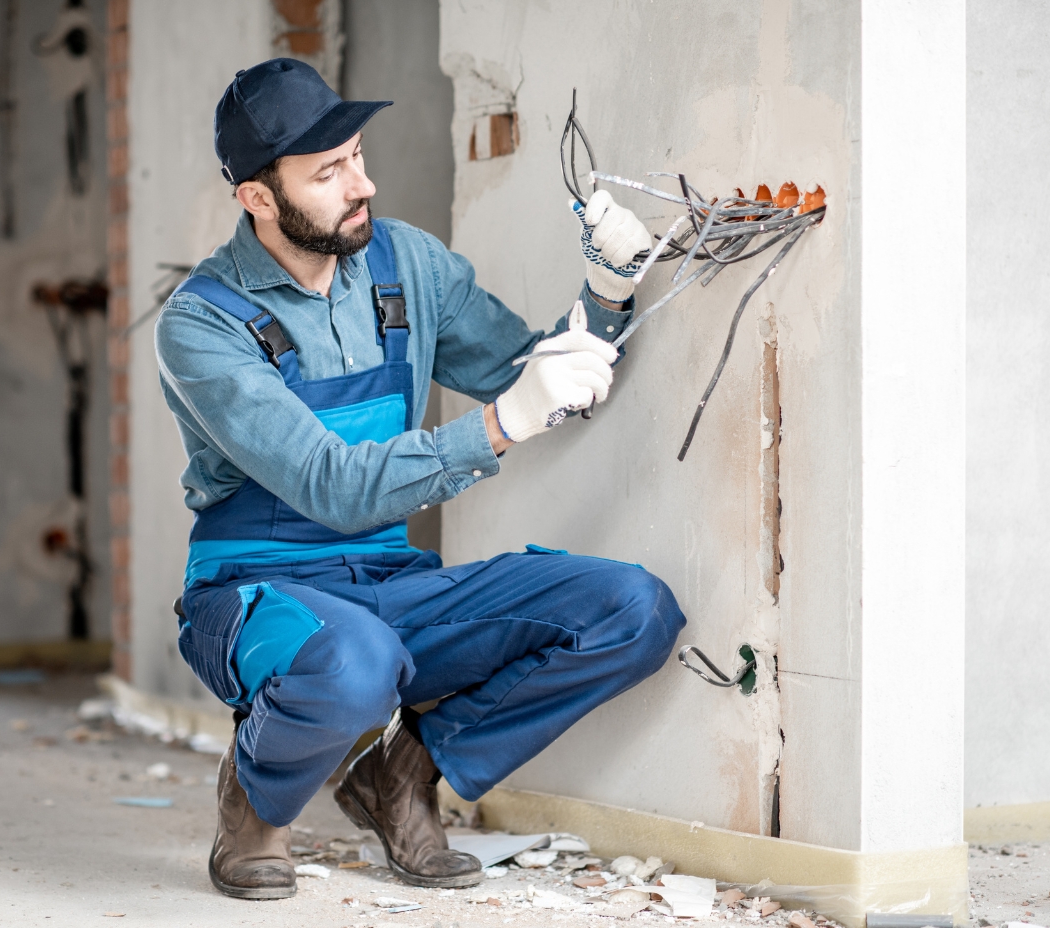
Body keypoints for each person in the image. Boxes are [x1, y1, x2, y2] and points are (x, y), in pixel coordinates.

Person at [155, 58, 685, 901]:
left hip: (388, 584)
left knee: (632, 609)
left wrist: (608, 291)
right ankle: (253, 804)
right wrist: (502, 423)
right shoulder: (201, 324)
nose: (361, 184)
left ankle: (400, 775)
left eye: (357, 156)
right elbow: (329, 483)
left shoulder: (408, 263)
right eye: (328, 172)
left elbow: (523, 372)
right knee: (356, 664)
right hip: (256, 594)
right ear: (258, 197)